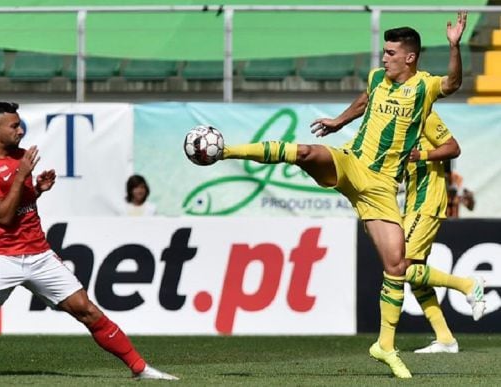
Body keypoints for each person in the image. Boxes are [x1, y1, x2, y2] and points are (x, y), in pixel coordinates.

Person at [196, 11, 482, 378]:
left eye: (391, 52)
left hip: (381, 190)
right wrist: (339, 120)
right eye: (384, 51)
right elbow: (365, 99)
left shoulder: (424, 86)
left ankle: (385, 346)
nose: (384, 58)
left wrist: (454, 46)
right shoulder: (378, 78)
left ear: (409, 57)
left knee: (397, 267)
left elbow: (454, 83)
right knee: (305, 153)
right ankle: (224, 151)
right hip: (353, 163)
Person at [0, 102, 178, 381]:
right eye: (14, 125)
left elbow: (18, 206)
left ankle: (140, 368)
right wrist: (21, 177)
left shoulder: (21, 156)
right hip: (3, 256)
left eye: (20, 124)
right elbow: (2, 216)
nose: (20, 130)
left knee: (87, 311)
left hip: (39, 254)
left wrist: (37, 189)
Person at [403, 111, 485, 354]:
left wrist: (422, 155)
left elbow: (453, 147)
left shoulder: (423, 114)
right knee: (415, 276)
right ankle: (445, 339)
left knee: (401, 265)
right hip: (412, 203)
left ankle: (468, 284)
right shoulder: (399, 127)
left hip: (426, 202)